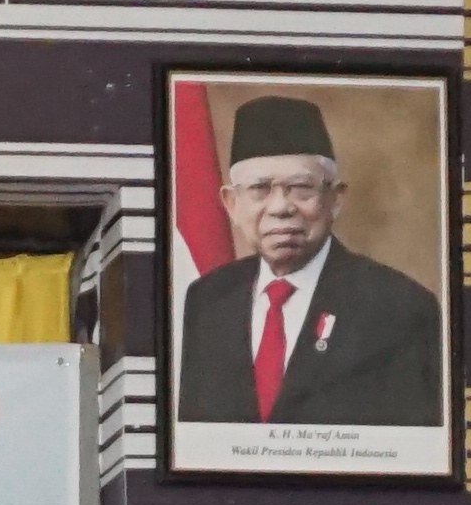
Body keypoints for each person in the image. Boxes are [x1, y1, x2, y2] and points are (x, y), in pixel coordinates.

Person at [171, 94, 444, 432]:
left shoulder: (399, 308)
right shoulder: (206, 301)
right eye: (259, 189)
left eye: (301, 188)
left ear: (335, 199)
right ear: (231, 203)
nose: (280, 207)